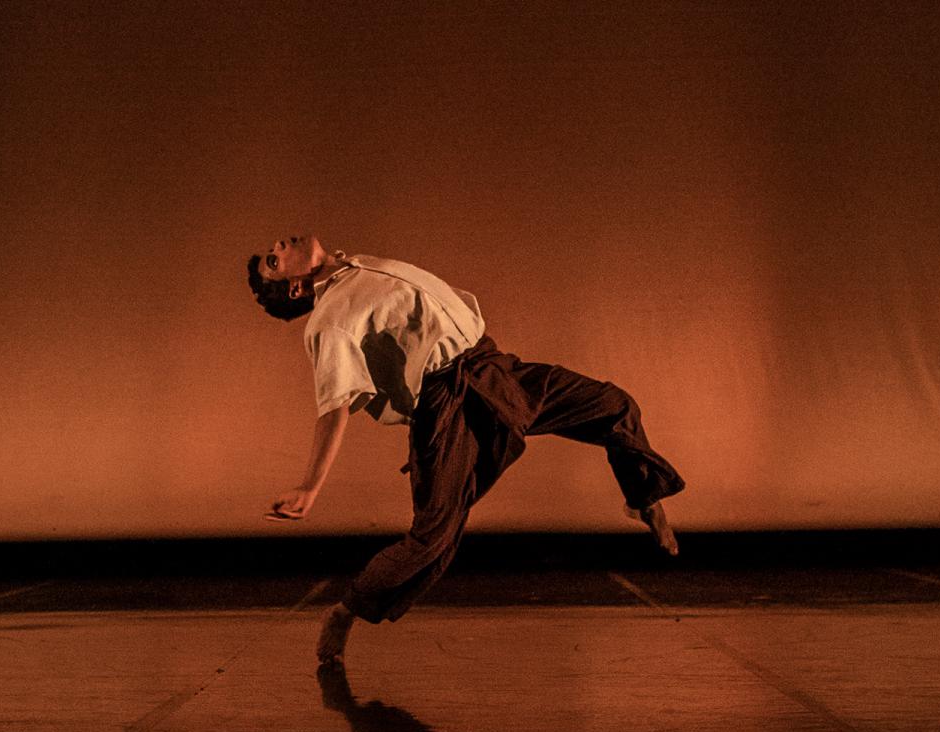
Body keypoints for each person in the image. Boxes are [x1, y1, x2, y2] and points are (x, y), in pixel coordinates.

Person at [247, 234, 685, 664]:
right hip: (446, 402)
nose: (280, 245)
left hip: (491, 366)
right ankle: (348, 612)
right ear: (298, 287)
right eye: (274, 259)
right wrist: (310, 486)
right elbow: (334, 405)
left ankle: (644, 497)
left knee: (615, 405)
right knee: (433, 535)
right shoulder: (329, 320)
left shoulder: (352, 264)